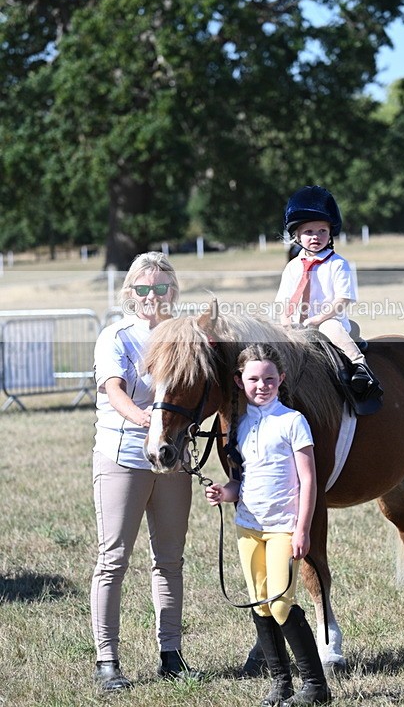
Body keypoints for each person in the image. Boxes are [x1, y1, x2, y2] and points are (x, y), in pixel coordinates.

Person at [91, 251, 197, 692]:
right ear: (129, 292)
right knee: (113, 559)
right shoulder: (115, 335)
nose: (152, 296)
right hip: (124, 458)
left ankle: (170, 654)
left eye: (161, 288)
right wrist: (147, 421)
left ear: (173, 291)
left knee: (169, 560)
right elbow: (113, 390)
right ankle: (107, 659)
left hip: (174, 462)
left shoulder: (186, 336)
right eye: (143, 288)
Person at [205, 344, 332, 707]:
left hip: (282, 527)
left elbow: (309, 481)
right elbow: (240, 482)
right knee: (260, 604)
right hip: (248, 526)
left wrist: (303, 530)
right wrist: (224, 492)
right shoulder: (240, 425)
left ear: (282, 380)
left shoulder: (292, 422)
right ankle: (281, 683)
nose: (262, 385)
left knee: (280, 604)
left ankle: (315, 686)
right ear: (239, 381)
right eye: (254, 379)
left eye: (269, 379)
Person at [275, 185, 381, 405]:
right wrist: (285, 322)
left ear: (330, 233)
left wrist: (318, 318)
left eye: (322, 231)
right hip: (297, 323)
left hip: (329, 319)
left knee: (330, 328)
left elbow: (342, 300)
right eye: (309, 232)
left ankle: (360, 366)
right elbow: (284, 300)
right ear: (297, 236)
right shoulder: (293, 267)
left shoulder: (338, 264)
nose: (316, 237)